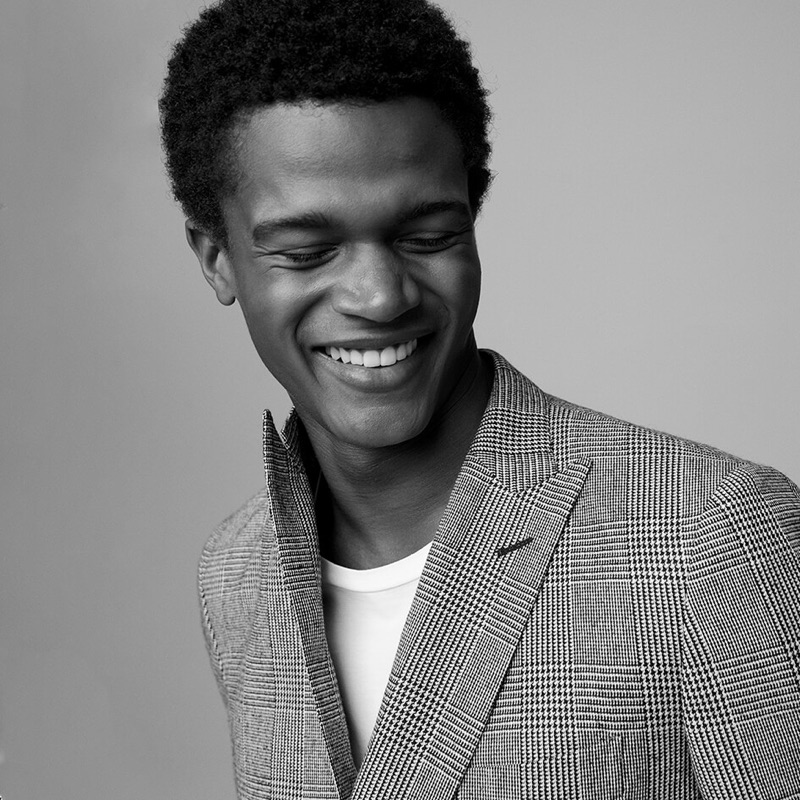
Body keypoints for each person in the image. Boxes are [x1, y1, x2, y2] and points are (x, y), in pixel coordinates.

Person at [159, 0, 800, 797]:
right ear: (216, 257)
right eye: (308, 251)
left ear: (472, 211)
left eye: (427, 236)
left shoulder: (710, 536)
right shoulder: (238, 573)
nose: (380, 296)